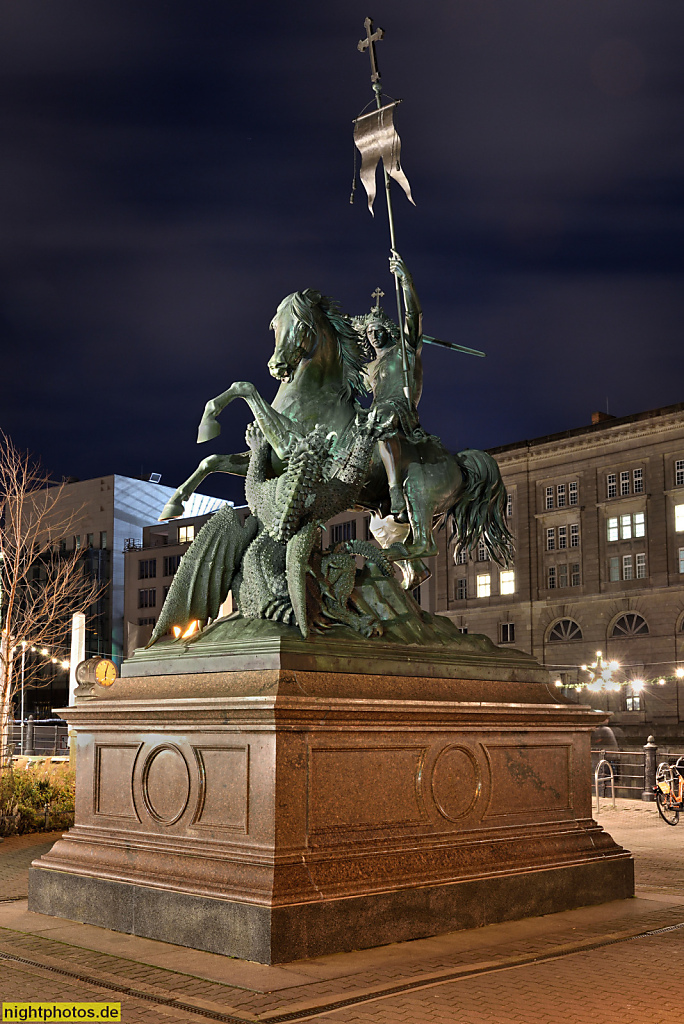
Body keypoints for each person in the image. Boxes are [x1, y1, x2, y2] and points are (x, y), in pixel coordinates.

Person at [353, 250, 427, 522]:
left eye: (377, 329)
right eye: (369, 332)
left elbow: (414, 315)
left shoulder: (404, 351)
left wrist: (406, 281)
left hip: (398, 408)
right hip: (374, 411)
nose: (373, 335)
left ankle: (395, 489)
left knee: (380, 421)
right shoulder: (369, 367)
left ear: (388, 329)